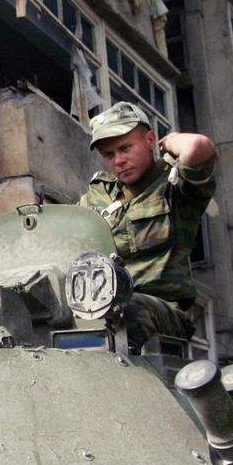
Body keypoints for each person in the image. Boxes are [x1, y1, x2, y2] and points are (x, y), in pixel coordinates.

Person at [79, 102, 217, 351]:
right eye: (109, 155)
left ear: (150, 140)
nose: (118, 161)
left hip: (161, 311)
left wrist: (171, 140)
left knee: (124, 313)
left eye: (125, 148)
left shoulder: (175, 186)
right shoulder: (99, 195)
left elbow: (198, 147)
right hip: (102, 306)